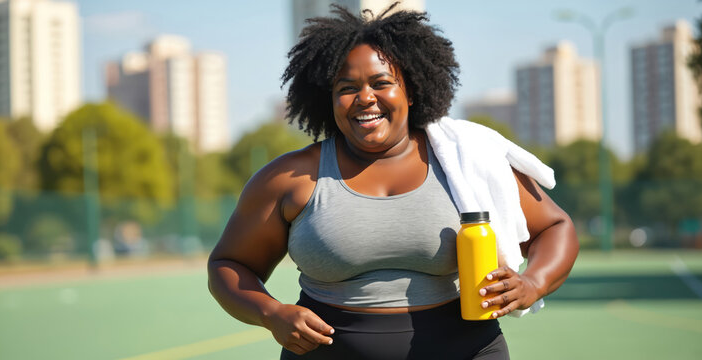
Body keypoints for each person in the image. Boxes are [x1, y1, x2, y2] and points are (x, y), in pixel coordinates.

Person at [208, 4, 578, 359]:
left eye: (381, 83)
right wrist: (271, 313)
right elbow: (229, 264)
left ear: (411, 90)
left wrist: (533, 282)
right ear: (330, 99)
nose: (365, 97)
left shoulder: (467, 160)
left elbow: (555, 226)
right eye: (347, 87)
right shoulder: (288, 178)